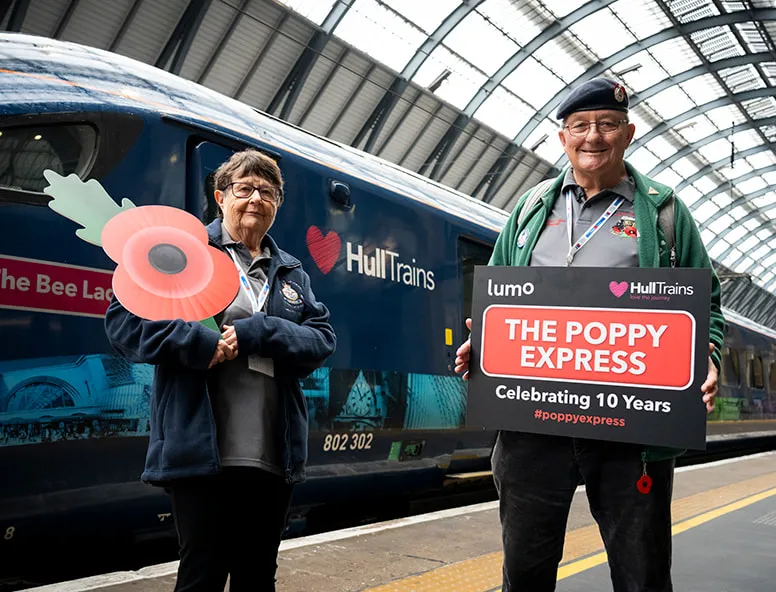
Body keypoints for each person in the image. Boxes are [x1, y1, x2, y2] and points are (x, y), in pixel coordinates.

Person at [454, 78, 725, 592]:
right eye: (580, 126)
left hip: (632, 427)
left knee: (642, 574)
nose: (593, 137)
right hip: (534, 423)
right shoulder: (530, 209)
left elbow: (705, 303)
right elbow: (496, 300)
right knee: (524, 574)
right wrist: (482, 342)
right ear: (563, 138)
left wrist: (706, 354)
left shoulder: (665, 212)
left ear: (629, 133)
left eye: (607, 124)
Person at [105, 149, 336, 591]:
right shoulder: (183, 250)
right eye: (244, 189)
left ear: (278, 203)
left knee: (257, 578)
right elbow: (125, 323)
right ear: (220, 196)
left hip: (273, 454)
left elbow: (322, 340)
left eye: (267, 192)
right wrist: (197, 343)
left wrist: (260, 331)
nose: (256, 199)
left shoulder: (292, 273)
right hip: (200, 452)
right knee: (202, 577)